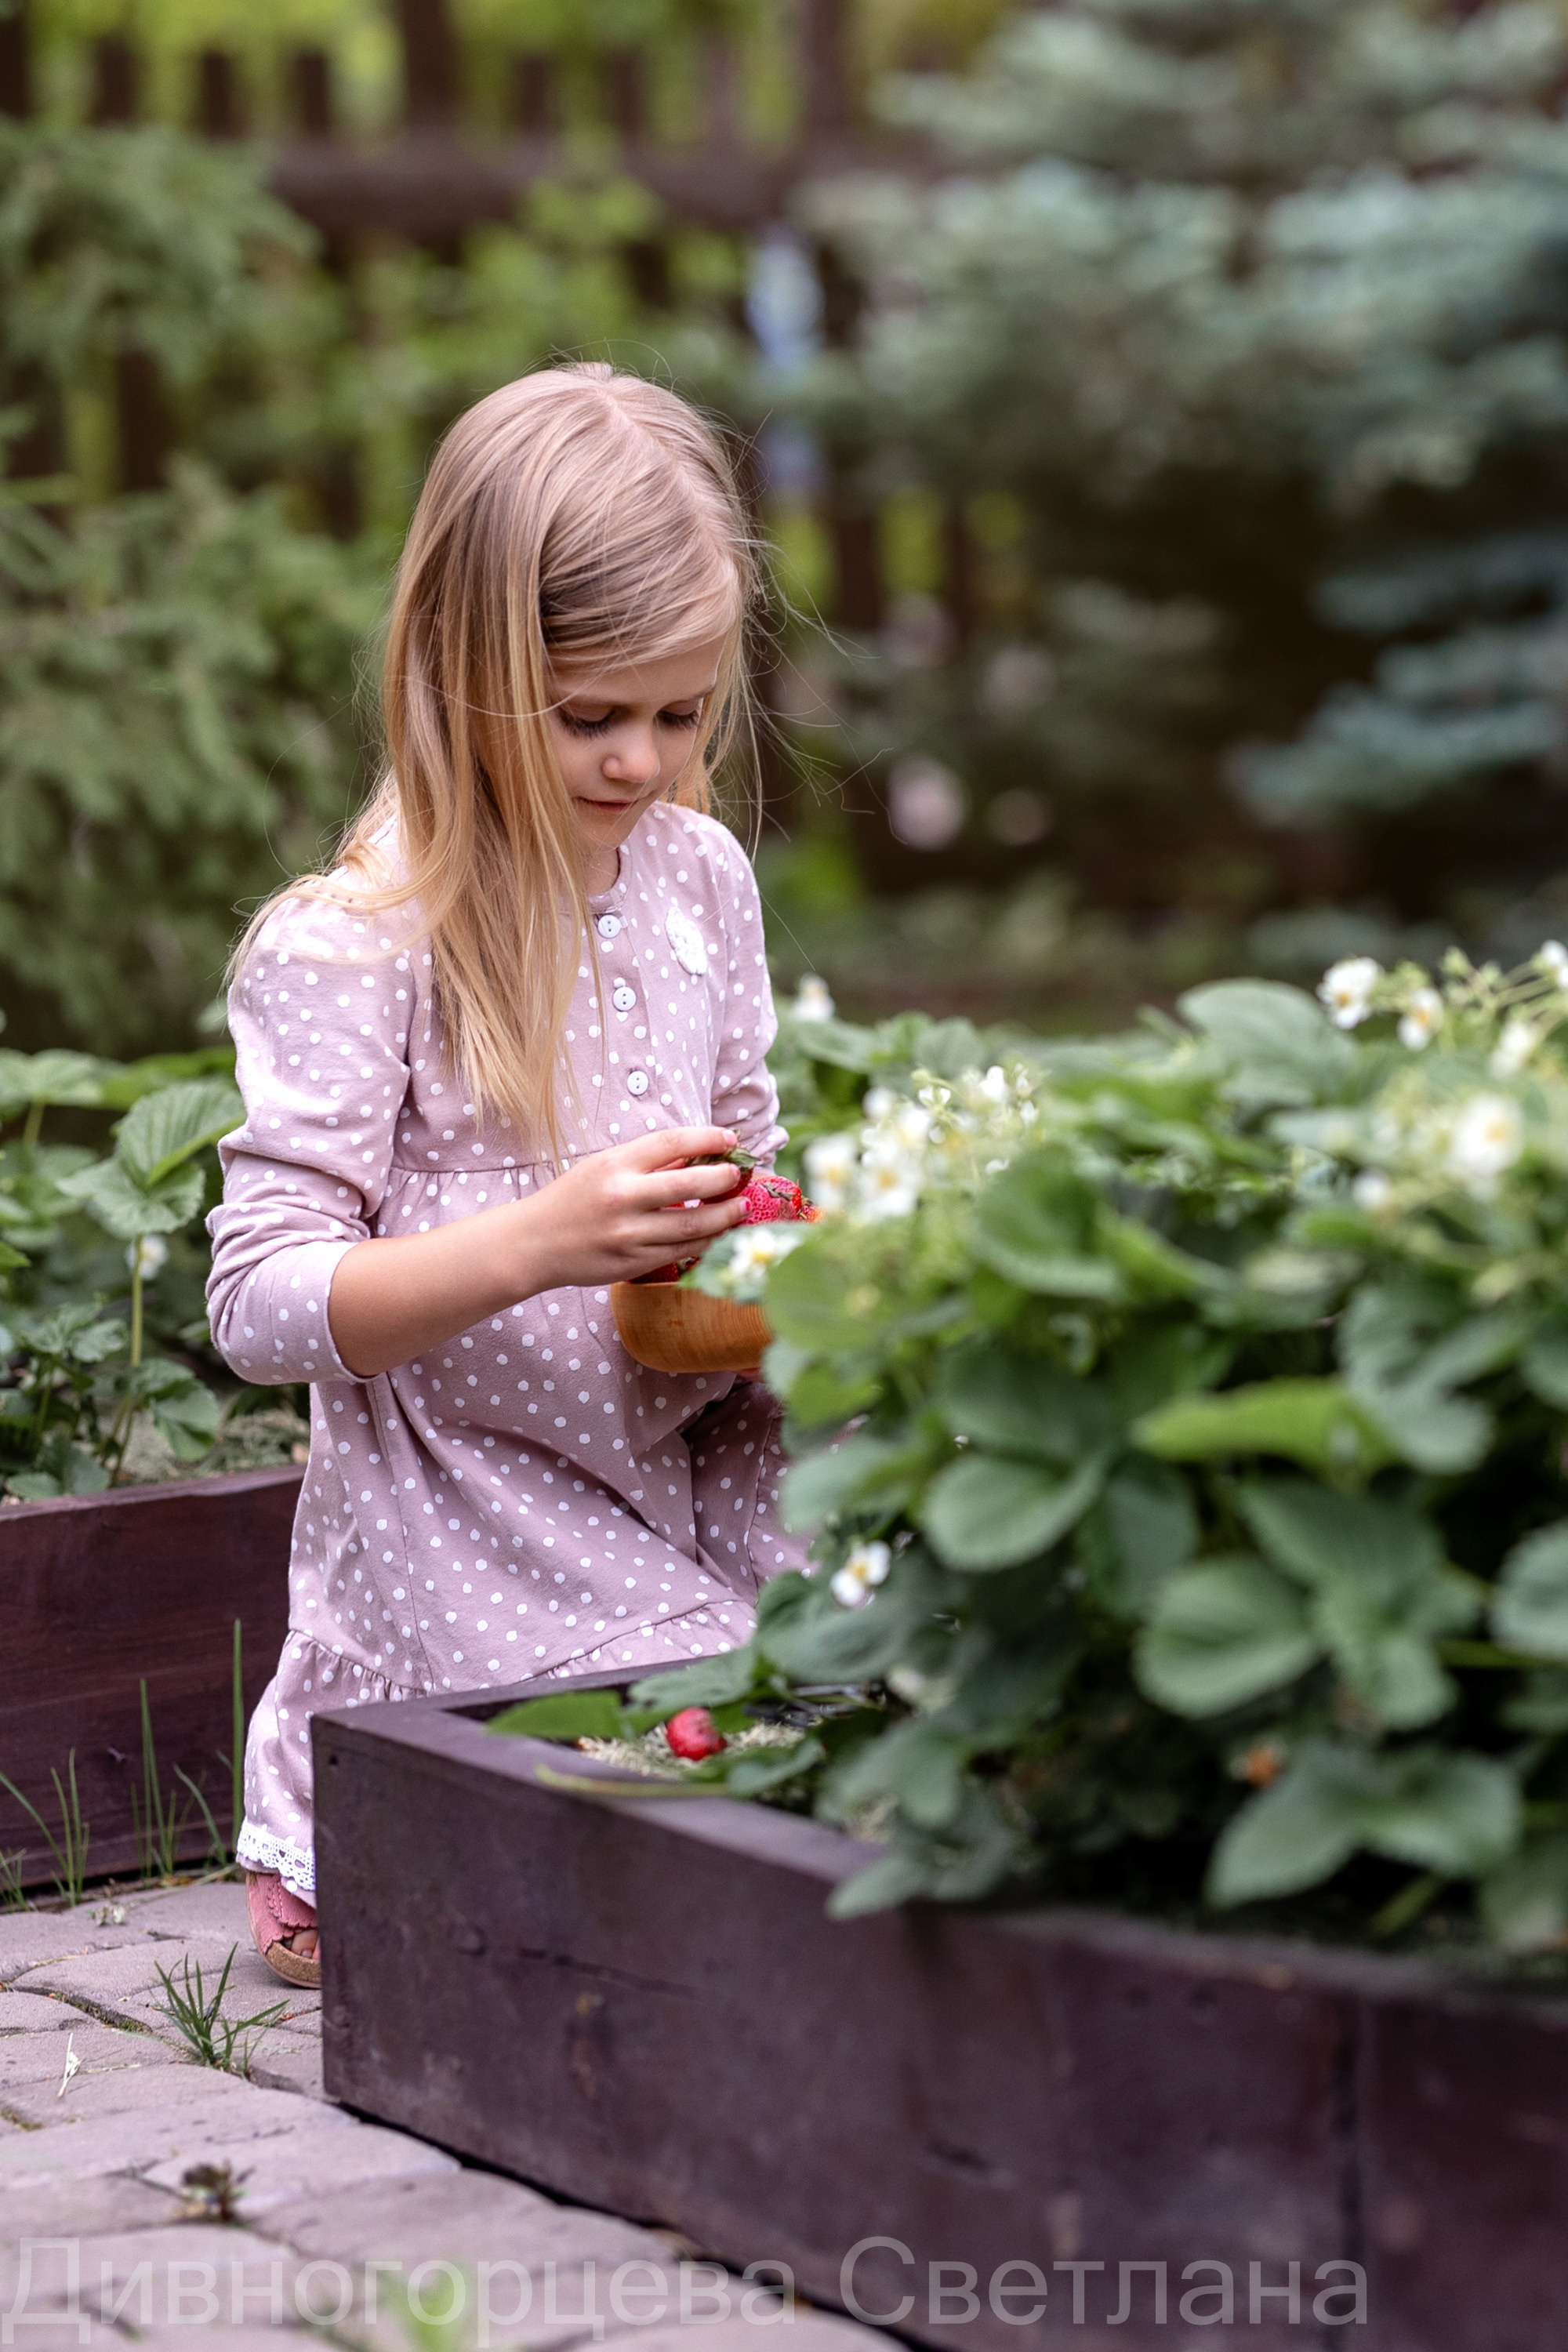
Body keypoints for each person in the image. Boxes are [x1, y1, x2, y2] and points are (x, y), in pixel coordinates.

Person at [207, 364, 809, 1987]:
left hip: (684, 1451)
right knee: (707, 1744)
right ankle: (336, 1827)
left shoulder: (698, 877)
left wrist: (773, 1242)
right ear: (459, 672)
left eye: (682, 715)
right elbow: (261, 1304)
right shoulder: (357, 943)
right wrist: (540, 1240)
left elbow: (742, 1137)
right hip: (471, 1506)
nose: (642, 763)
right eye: (590, 715)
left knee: (885, 1653)